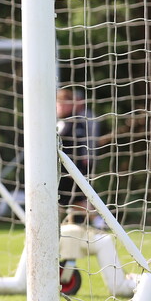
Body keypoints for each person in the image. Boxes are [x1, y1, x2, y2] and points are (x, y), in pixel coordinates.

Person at [57, 87, 103, 229]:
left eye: (60, 103)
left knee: (75, 200)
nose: (58, 107)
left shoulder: (78, 122)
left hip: (72, 170)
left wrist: (79, 169)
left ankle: (100, 222)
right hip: (62, 170)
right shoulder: (63, 122)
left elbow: (81, 147)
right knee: (64, 201)